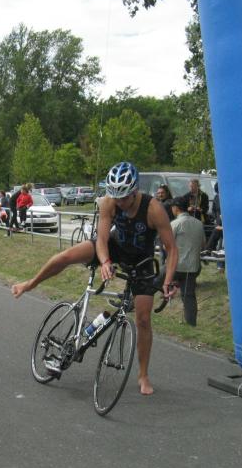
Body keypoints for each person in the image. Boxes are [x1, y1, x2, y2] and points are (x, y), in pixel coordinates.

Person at [12, 162, 177, 396]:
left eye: (124, 198)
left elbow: (172, 249)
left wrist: (168, 280)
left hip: (142, 261)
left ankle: (143, 375)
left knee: (143, 319)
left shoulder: (153, 209)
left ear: (135, 191)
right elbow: (101, 239)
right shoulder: (109, 202)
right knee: (65, 256)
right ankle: (30, 283)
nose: (120, 202)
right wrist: (105, 261)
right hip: (114, 247)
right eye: (116, 197)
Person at [170, 194, 205, 326]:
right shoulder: (199, 223)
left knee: (154, 282)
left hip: (176, 266)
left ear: (176, 208)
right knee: (189, 295)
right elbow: (203, 244)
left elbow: (167, 245)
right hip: (193, 267)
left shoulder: (175, 224)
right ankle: (191, 323)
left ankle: (131, 304)